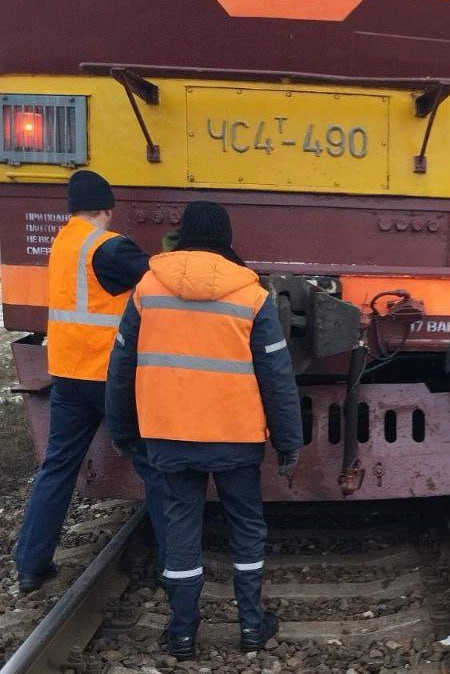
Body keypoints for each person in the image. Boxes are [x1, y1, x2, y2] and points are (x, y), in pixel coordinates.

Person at [106, 201, 303, 661]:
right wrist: (289, 441)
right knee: (246, 528)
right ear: (227, 241)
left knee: (179, 533)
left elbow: (121, 366)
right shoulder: (250, 295)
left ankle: (181, 634)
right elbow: (277, 376)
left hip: (169, 437)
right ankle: (253, 626)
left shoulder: (148, 289)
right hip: (235, 438)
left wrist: (122, 429)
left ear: (182, 236)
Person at [15, 170, 167, 593]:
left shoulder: (63, 243)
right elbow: (159, 281)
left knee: (57, 468)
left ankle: (31, 566)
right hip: (108, 378)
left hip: (67, 375)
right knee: (154, 467)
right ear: (107, 208)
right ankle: (171, 562)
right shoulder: (109, 247)